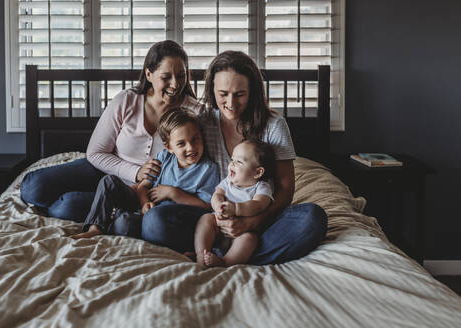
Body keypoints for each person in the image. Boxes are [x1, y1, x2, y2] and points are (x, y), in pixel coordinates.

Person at [141, 50, 327, 265]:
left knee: (313, 218)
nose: (231, 102)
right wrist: (147, 175)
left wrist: (251, 222)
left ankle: (226, 256)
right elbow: (179, 152)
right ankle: (214, 250)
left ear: (253, 91)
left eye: (240, 94)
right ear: (212, 90)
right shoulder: (205, 122)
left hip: (261, 218)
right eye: (223, 94)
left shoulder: (274, 125)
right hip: (213, 219)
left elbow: (286, 190)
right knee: (154, 222)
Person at [20, 40, 199, 221]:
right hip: (104, 170)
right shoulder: (127, 100)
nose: (175, 84)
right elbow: (96, 153)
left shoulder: (195, 113)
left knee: (65, 207)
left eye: (181, 76)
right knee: (33, 187)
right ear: (149, 74)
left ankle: (113, 208)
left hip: (141, 192)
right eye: (166, 77)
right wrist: (135, 172)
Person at [71, 109, 219, 239]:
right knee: (109, 181)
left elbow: (206, 206)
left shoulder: (208, 169)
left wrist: (173, 193)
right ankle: (95, 228)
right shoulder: (164, 158)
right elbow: (143, 187)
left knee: (124, 224)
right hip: (145, 208)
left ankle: (118, 219)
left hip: (167, 217)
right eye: (181, 144)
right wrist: (144, 203)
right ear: (169, 147)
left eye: (195, 139)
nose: (191, 147)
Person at [194, 140, 275, 267]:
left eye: (239, 162)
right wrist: (217, 205)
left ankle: (225, 262)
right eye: (232, 159)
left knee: (250, 239)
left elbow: (259, 204)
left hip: (241, 233)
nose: (232, 164)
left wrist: (236, 208)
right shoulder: (228, 182)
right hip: (219, 226)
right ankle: (201, 254)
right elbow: (217, 194)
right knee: (206, 219)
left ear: (257, 172)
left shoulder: (261, 187)